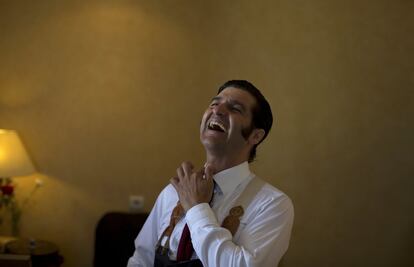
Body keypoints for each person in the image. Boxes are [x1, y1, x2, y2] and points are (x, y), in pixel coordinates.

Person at [127, 80, 294, 267]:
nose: (218, 110)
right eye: (214, 104)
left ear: (255, 136)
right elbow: (141, 260)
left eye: (235, 108)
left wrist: (196, 208)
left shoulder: (272, 205)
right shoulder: (173, 192)